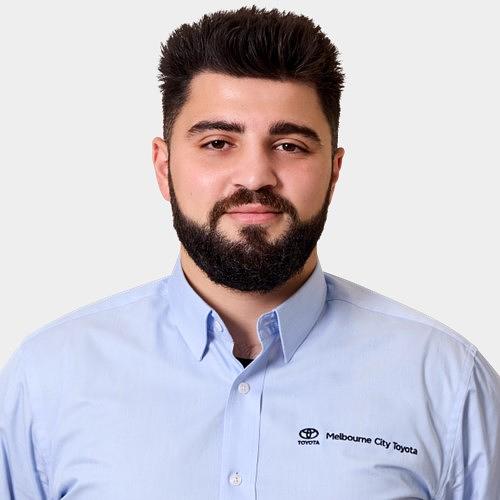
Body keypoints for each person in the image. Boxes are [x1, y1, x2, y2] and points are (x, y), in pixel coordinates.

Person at [1, 5, 498, 499]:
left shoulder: (448, 382)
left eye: (290, 145)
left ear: (334, 171)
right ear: (164, 166)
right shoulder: (47, 378)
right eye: (218, 143)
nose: (256, 176)